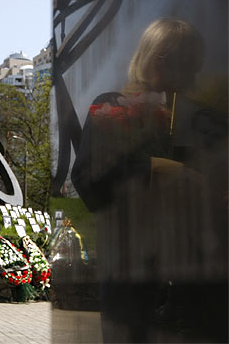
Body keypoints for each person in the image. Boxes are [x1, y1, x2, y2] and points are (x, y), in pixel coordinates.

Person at [71, 18, 227, 342]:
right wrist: (164, 169)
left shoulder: (203, 120)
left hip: (199, 288)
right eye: (187, 66)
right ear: (159, 60)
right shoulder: (112, 107)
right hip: (132, 284)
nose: (192, 78)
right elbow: (90, 179)